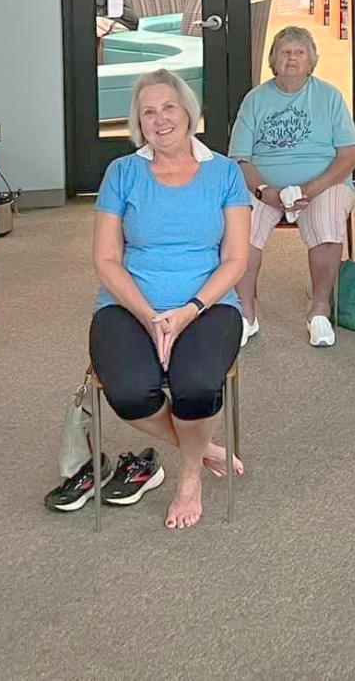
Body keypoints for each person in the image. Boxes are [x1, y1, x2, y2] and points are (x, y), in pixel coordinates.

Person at [90, 69, 250, 530]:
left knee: (197, 386)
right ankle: (200, 449)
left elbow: (236, 259)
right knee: (128, 393)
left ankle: (189, 478)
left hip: (208, 303)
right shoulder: (122, 173)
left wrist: (187, 312)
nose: (160, 120)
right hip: (128, 304)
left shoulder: (224, 173)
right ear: (138, 124)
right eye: (148, 112)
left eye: (168, 108)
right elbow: (106, 260)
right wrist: (149, 316)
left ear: (188, 112)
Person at [228, 26, 355, 348]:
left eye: (299, 52)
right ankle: (246, 313)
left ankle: (319, 310)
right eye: (285, 52)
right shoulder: (255, 100)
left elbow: (349, 157)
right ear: (273, 60)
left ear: (311, 61)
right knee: (239, 226)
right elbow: (240, 159)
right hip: (264, 185)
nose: (292, 58)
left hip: (322, 184)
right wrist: (262, 190)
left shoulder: (329, 96)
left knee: (328, 221)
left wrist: (312, 188)